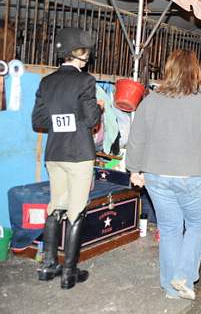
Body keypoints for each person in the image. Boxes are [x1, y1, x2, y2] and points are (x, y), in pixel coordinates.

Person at [126, 50, 201, 300]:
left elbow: (136, 138)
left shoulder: (150, 100)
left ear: (169, 70)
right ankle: (183, 275)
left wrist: (134, 170)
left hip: (157, 177)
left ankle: (172, 289)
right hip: (194, 177)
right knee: (197, 225)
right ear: (196, 72)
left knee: (170, 229)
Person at [31, 27, 103, 289]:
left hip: (55, 153)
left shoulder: (46, 82)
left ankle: (48, 265)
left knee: (56, 205)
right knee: (76, 208)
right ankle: (70, 272)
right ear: (80, 54)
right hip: (79, 154)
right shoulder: (86, 81)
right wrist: (98, 108)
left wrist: (63, 121)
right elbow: (92, 120)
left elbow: (38, 120)